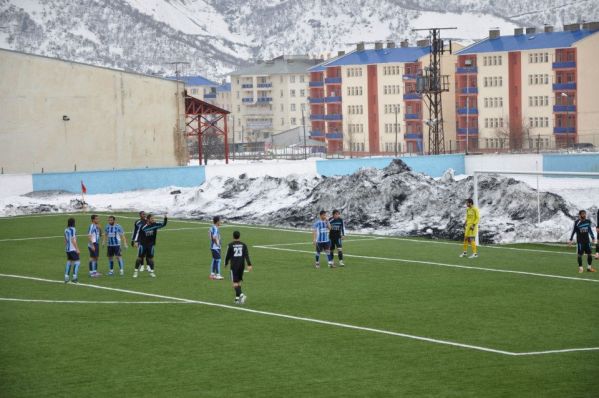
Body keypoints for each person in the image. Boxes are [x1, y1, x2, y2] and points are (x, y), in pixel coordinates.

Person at [133, 213, 167, 278]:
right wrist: (136, 241)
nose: (153, 219)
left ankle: (152, 272)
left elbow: (164, 224)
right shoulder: (143, 226)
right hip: (143, 245)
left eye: (153, 218)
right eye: (152, 218)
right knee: (139, 258)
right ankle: (135, 272)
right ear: (148, 219)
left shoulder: (155, 225)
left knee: (150, 259)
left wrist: (165, 218)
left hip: (151, 245)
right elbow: (138, 234)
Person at [224, 230, 253, 304]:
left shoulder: (230, 245)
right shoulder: (244, 245)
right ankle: (237, 299)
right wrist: (249, 264)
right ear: (239, 236)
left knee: (234, 283)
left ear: (233, 236)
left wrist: (226, 263)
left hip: (234, 266)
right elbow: (246, 255)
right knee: (239, 281)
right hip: (241, 265)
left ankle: (242, 295)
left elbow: (227, 255)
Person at [64, 217, 81, 283]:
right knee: (77, 262)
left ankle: (66, 277)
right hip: (72, 249)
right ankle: (74, 277)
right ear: (73, 223)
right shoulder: (73, 229)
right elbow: (73, 240)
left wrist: (66, 248)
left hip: (68, 249)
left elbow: (65, 240)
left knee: (69, 262)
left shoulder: (65, 230)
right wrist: (77, 249)